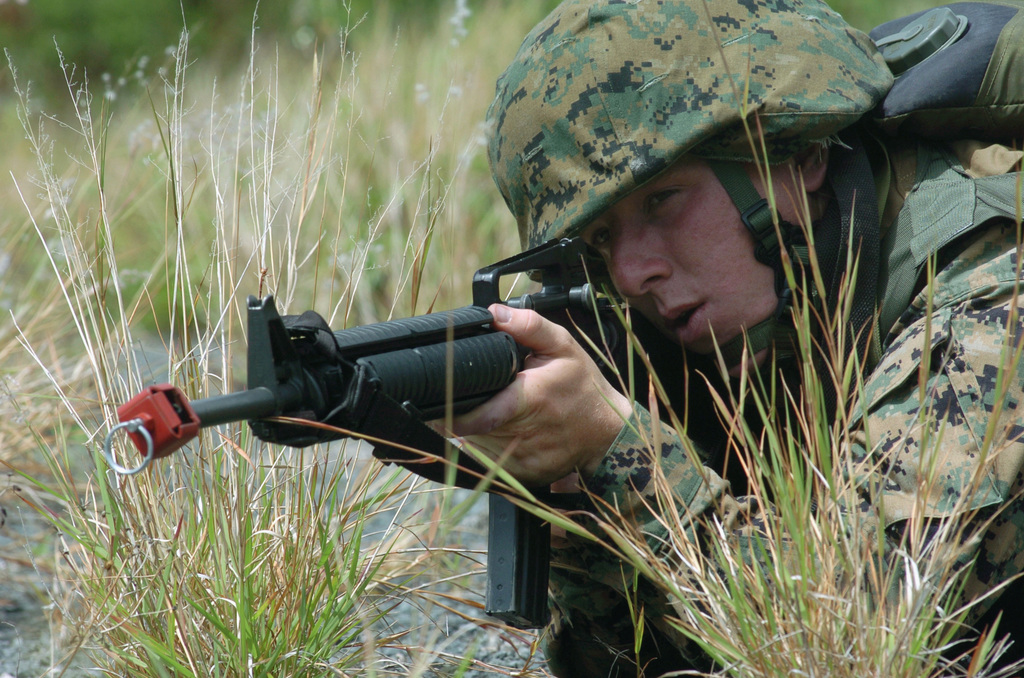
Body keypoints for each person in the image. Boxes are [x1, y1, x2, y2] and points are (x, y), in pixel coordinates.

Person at [444, 0, 1024, 675]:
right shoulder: (774, 313)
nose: (631, 274)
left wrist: (622, 453)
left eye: (663, 201)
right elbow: (631, 662)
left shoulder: (989, 293)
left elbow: (859, 637)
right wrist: (578, 503)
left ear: (799, 154)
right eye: (601, 239)